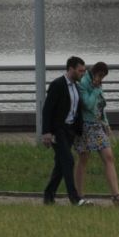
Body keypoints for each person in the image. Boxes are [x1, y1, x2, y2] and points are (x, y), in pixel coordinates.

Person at [74, 61, 119, 206]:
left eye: (103, 77)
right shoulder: (84, 82)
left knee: (109, 157)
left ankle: (116, 195)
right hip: (85, 126)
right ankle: (78, 195)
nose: (101, 79)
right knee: (83, 159)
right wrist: (96, 89)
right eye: (100, 75)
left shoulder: (98, 83)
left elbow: (100, 105)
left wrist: (106, 123)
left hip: (98, 125)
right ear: (95, 72)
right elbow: (88, 104)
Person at [41, 55, 91, 205]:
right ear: (71, 69)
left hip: (69, 131)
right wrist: (47, 132)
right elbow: (47, 109)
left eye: (84, 71)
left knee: (61, 165)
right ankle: (74, 198)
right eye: (80, 71)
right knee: (68, 161)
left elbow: (75, 110)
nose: (83, 74)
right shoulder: (58, 84)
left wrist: (78, 131)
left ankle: (48, 195)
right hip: (58, 130)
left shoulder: (76, 86)